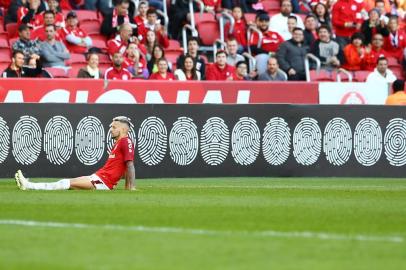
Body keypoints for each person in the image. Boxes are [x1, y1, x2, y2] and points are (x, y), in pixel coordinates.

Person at [15, 116, 136, 191]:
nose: (111, 130)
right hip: (99, 177)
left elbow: (130, 165)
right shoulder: (119, 142)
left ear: (123, 129)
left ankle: (29, 185)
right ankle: (29, 185)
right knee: (68, 182)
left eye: (114, 127)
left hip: (103, 182)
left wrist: (132, 187)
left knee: (66, 183)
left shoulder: (125, 141)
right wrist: (127, 187)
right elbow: (125, 167)